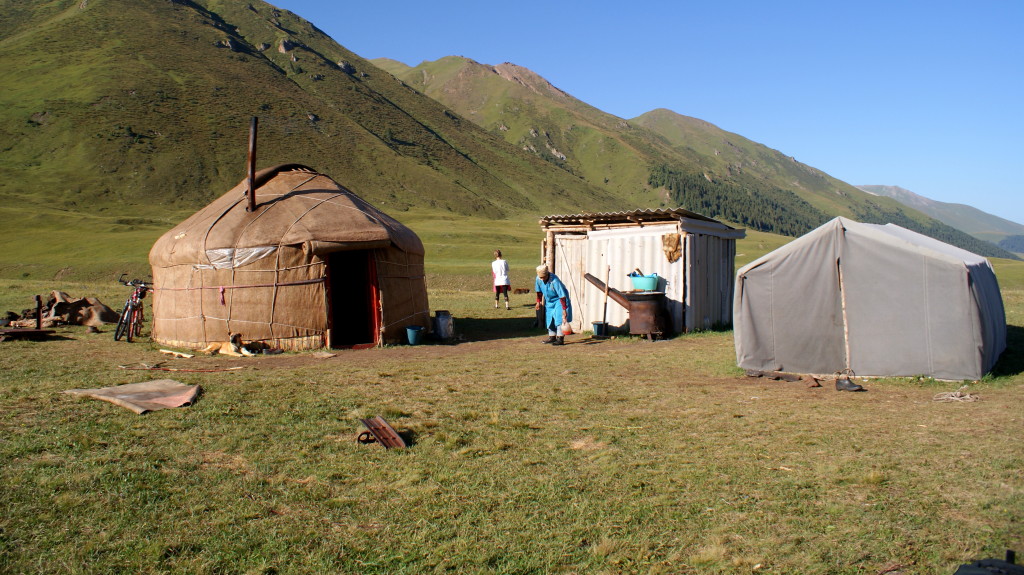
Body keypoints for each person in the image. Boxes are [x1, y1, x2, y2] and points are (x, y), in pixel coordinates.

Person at [534, 264, 572, 345]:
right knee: (549, 318)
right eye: (541, 277)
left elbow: (562, 295)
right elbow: (539, 291)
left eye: (544, 277)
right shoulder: (538, 279)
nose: (542, 279)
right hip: (549, 301)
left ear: (547, 274)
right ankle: (552, 336)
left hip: (559, 300)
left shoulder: (554, 280)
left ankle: (560, 338)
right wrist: (538, 302)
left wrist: (564, 309)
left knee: (559, 318)